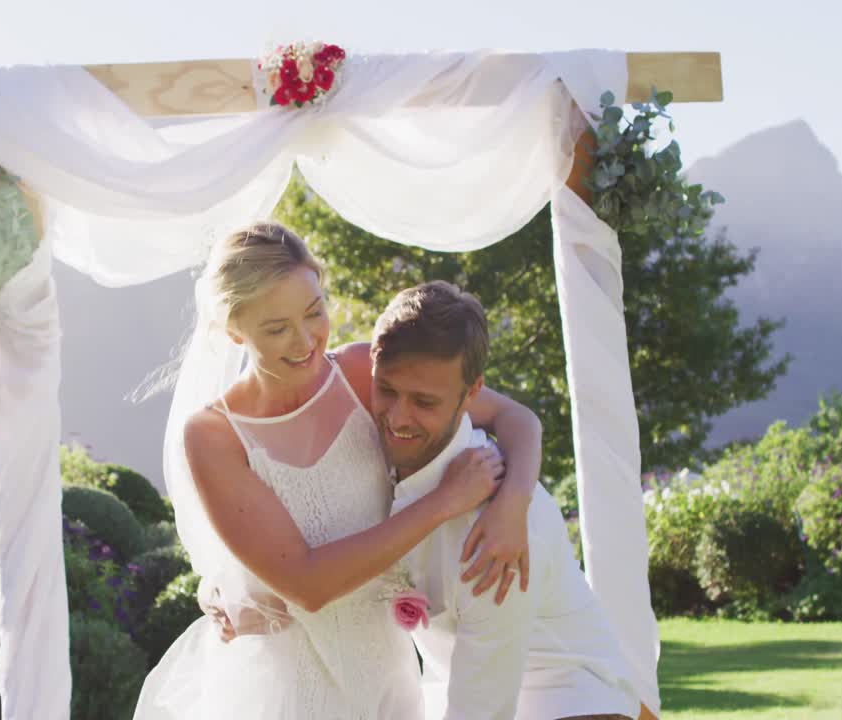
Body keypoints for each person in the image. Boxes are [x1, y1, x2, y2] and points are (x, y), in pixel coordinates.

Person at [131, 222, 545, 719]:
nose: (305, 340)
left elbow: (514, 417)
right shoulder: (215, 436)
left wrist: (513, 505)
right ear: (234, 328)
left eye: (314, 311)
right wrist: (443, 504)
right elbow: (307, 585)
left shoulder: (356, 373)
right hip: (292, 686)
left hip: (387, 675)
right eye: (277, 327)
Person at [369, 282, 641, 720]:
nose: (398, 417)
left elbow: (481, 711)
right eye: (387, 390)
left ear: (471, 394)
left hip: (570, 702)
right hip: (463, 685)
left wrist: (513, 501)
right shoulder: (372, 444)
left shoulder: (499, 536)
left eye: (424, 402)